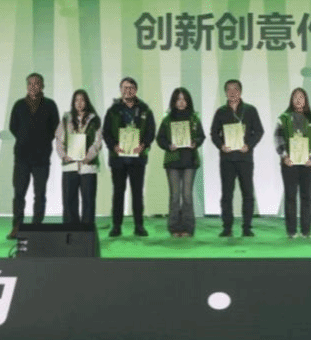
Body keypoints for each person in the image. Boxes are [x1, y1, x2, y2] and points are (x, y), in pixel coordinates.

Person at [101, 77, 157, 237]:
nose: (128, 90)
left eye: (131, 87)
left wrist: (143, 145)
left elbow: (151, 131)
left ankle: (139, 225)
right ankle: (116, 226)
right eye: (125, 88)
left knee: (137, 193)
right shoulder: (113, 110)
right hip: (118, 158)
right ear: (120, 90)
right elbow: (106, 132)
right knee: (118, 193)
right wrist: (114, 146)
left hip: (137, 158)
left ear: (136, 90)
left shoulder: (145, 110)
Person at [209, 79, 265, 237]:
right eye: (229, 89)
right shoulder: (221, 112)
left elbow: (259, 131)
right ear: (225, 93)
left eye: (235, 89)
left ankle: (247, 227)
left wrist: (249, 145)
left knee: (248, 193)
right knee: (227, 194)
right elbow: (214, 133)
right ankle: (227, 227)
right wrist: (221, 146)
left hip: (245, 158)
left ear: (240, 91)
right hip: (227, 159)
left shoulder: (250, 110)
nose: (232, 92)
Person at [6, 72, 59, 239]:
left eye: (36, 83)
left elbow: (55, 128)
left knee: (40, 193)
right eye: (30, 83)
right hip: (22, 157)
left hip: (42, 157)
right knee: (19, 193)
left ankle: (37, 226)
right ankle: (17, 226)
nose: (33, 86)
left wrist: (41, 141)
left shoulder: (50, 105)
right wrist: (25, 139)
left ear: (42, 86)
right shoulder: (19, 105)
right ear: (26, 86)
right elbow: (13, 127)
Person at [155, 87, 206, 238]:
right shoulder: (167, 119)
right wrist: (168, 145)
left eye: (184, 99)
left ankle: (188, 228)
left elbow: (201, 136)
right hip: (173, 161)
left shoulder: (194, 119)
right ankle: (174, 228)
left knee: (187, 195)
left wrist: (195, 143)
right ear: (174, 101)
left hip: (190, 161)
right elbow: (160, 138)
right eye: (178, 99)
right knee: (175, 196)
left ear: (188, 101)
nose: (181, 102)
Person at [274, 87, 311, 239]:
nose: (298, 100)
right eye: (295, 97)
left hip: (308, 165)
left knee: (306, 197)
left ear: (306, 100)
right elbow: (278, 138)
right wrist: (284, 156)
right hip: (289, 164)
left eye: (301, 97)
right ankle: (291, 231)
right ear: (291, 99)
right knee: (290, 197)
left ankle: (306, 230)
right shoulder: (283, 118)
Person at [54, 89, 103, 225]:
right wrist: (64, 156)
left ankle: (86, 231)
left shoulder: (94, 119)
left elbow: (98, 141)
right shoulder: (66, 119)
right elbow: (59, 139)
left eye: (82, 100)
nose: (79, 103)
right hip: (70, 166)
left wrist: (88, 157)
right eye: (76, 100)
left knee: (88, 201)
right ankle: (71, 230)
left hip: (88, 166)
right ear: (73, 102)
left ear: (87, 102)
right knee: (69, 201)